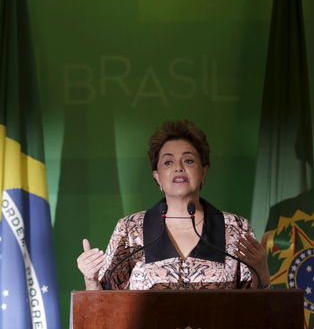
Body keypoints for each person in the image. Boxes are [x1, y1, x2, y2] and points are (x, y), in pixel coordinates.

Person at [76, 119, 270, 290]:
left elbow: (255, 310)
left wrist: (262, 272)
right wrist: (91, 279)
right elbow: (103, 305)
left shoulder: (235, 228)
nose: (178, 167)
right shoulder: (130, 230)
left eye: (188, 160)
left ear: (204, 171)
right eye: (168, 162)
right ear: (157, 177)